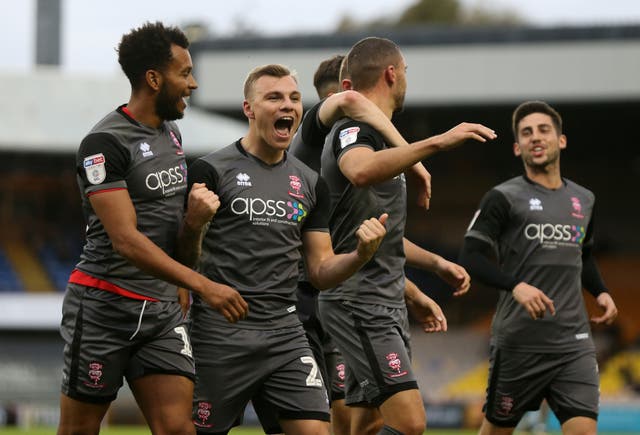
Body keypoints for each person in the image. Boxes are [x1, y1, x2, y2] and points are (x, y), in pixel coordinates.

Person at [57, 22, 248, 435]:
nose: (193, 84)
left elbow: (173, 227)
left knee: (178, 428)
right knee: (78, 430)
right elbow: (126, 241)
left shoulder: (172, 134)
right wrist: (202, 283)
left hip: (161, 313)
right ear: (153, 79)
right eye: (185, 73)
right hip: (104, 308)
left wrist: (194, 226)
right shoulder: (103, 144)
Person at [181, 64, 388, 435]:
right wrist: (193, 223)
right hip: (220, 334)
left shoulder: (311, 184)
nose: (287, 106)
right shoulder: (209, 170)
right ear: (249, 108)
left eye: (294, 98)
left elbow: (320, 271)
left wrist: (360, 255)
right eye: (273, 97)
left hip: (284, 333)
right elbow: (182, 259)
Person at [318, 37, 497, 435]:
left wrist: (435, 263)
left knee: (368, 425)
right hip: (359, 302)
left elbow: (380, 234)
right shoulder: (353, 129)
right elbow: (359, 170)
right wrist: (438, 141)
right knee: (411, 423)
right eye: (406, 73)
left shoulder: (384, 140)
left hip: (384, 300)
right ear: (391, 74)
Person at [289, 54, 460, 435]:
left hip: (349, 286)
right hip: (311, 297)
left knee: (365, 421)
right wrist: (421, 157)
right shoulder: (327, 136)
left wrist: (423, 276)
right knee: (368, 419)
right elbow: (344, 239)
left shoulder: (367, 143)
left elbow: (374, 238)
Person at [459, 100, 618, 435]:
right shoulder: (502, 197)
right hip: (519, 343)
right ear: (518, 148)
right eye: (526, 133)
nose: (536, 137)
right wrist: (516, 285)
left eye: (544, 130)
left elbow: (583, 254)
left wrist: (601, 291)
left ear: (561, 140)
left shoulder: (584, 200)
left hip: (573, 342)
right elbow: (470, 256)